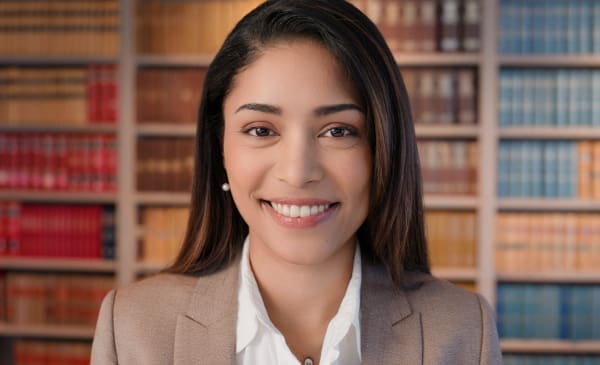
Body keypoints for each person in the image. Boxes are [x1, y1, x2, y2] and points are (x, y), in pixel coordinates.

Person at [91, 0, 502, 364]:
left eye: (338, 130)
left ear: (383, 149)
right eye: (260, 130)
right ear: (220, 149)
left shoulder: (463, 332)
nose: (297, 171)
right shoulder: (132, 330)